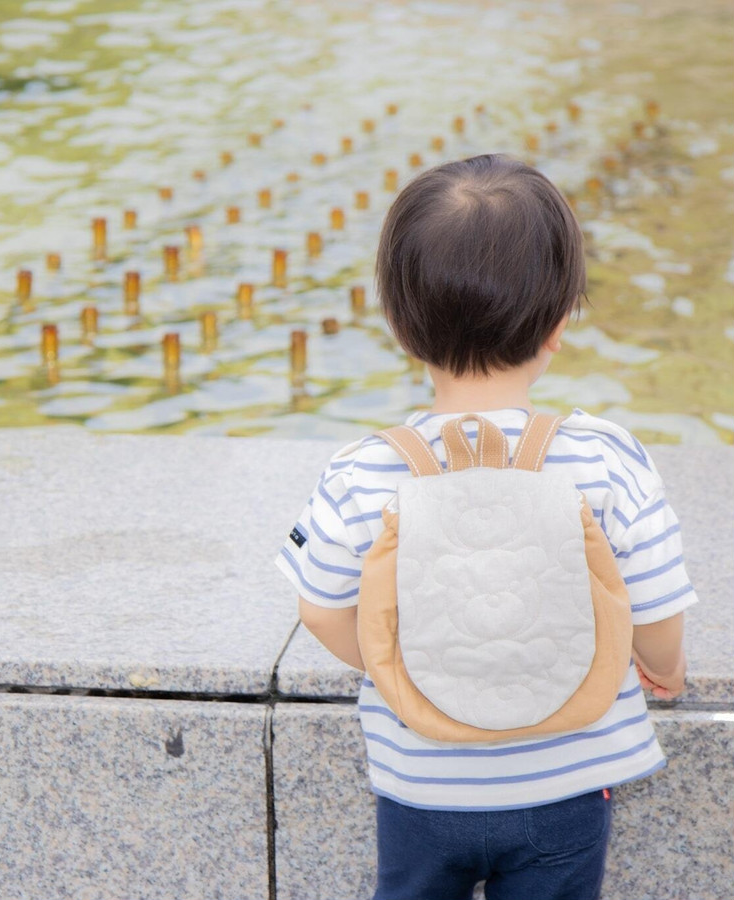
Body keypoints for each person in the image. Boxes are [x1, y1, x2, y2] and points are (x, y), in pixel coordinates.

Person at [274, 154, 697, 900]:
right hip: (568, 780)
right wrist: (663, 667)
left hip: (421, 781)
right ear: (561, 322)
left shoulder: (363, 469)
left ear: (401, 324)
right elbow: (656, 612)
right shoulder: (606, 457)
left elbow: (318, 607)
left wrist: (398, 663)